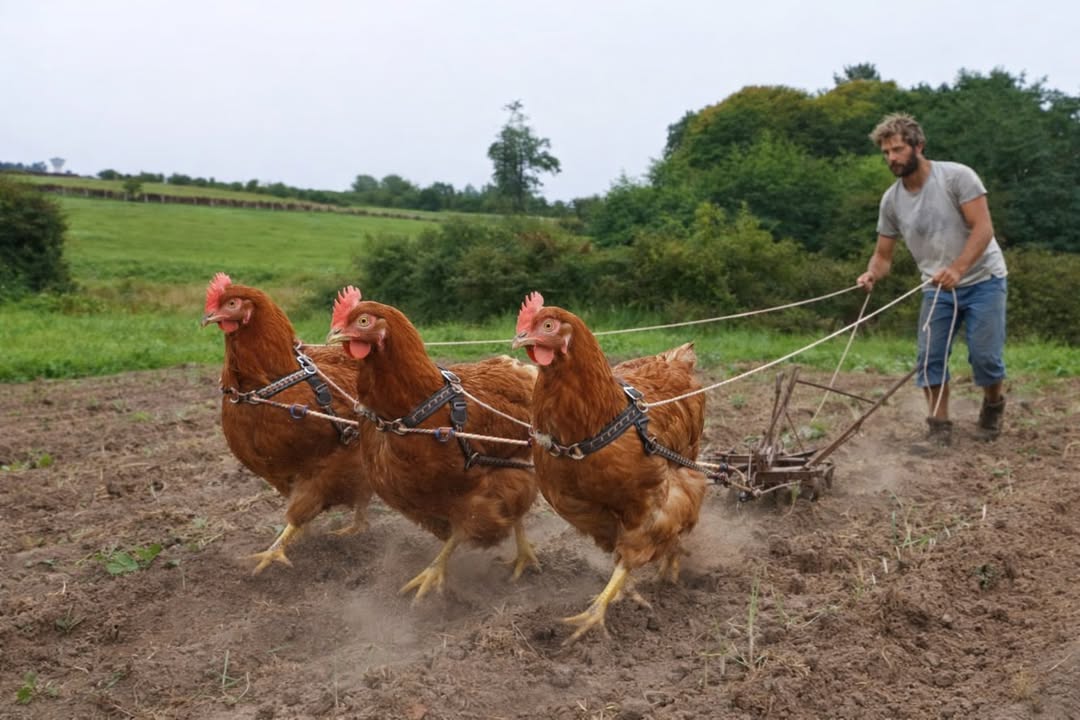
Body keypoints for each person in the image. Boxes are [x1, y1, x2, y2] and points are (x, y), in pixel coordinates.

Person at [857, 113, 1008, 446]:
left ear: (918, 146)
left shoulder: (957, 177)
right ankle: (939, 428)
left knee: (985, 359)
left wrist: (958, 269)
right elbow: (883, 257)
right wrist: (871, 274)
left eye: (897, 150)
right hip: (937, 288)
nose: (891, 158)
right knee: (929, 358)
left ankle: (993, 405)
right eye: (886, 152)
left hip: (984, 280)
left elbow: (983, 229)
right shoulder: (891, 201)